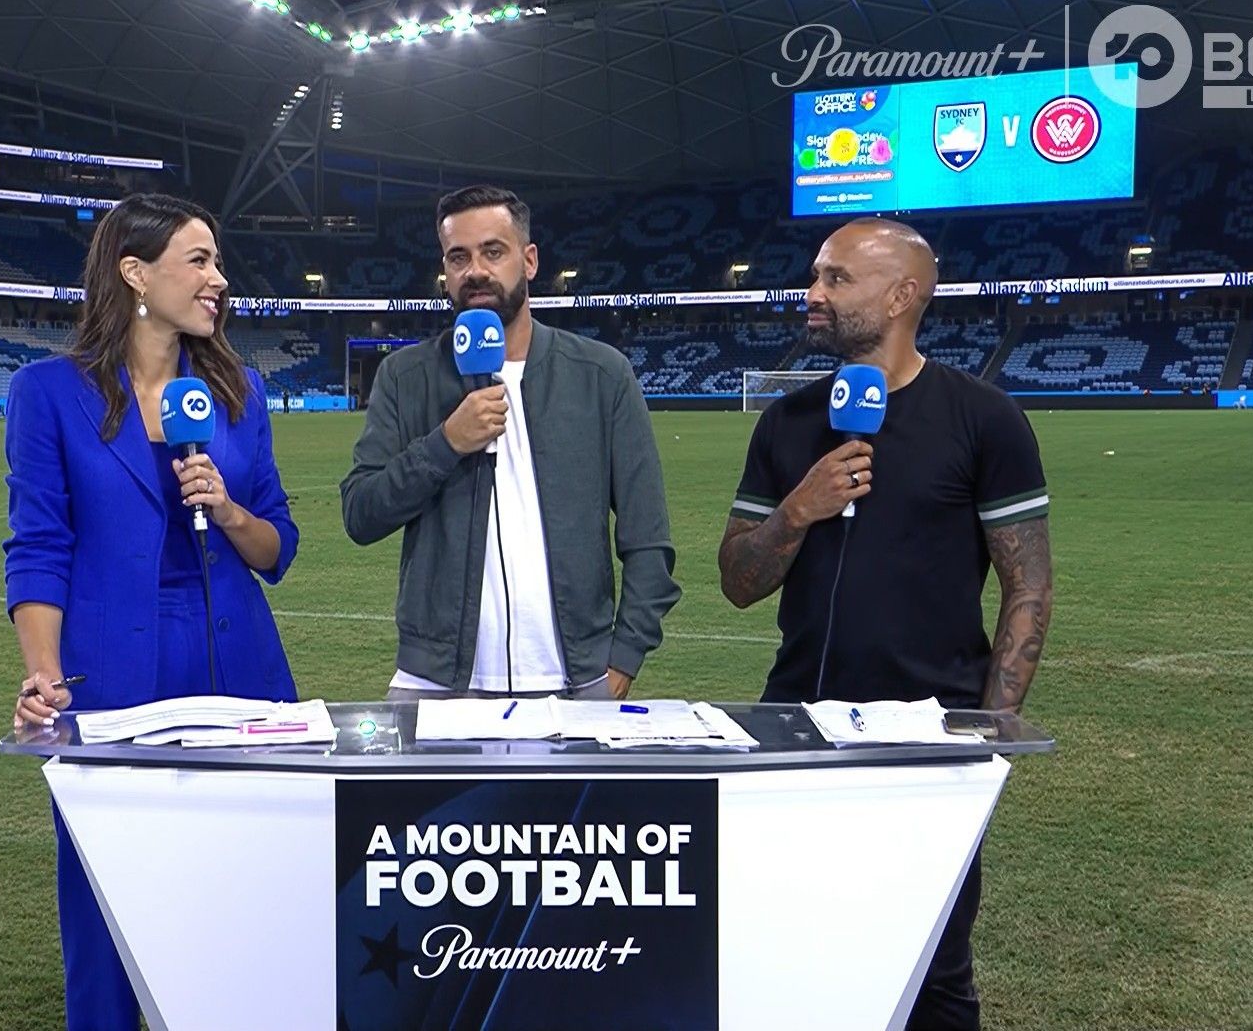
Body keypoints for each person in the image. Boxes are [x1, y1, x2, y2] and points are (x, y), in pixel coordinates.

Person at [716, 218, 1053, 1031]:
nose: (813, 293)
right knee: (789, 955)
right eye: (815, 275)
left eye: (836, 279)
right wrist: (797, 511)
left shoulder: (983, 418)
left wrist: (992, 733)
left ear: (903, 296)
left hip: (930, 743)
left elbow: (1028, 587)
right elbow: (738, 582)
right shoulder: (788, 423)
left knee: (933, 973)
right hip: (793, 732)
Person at [3, 192, 300, 1031]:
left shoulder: (239, 393)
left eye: (218, 261)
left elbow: (278, 547)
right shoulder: (47, 393)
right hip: (109, 684)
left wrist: (230, 510)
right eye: (198, 261)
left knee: (244, 904)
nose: (219, 278)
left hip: (241, 676)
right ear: (135, 273)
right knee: (106, 916)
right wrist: (43, 674)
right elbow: (38, 545)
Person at [341, 185, 680, 702]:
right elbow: (360, 514)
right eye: (458, 257)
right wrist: (446, 443)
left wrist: (625, 654)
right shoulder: (405, 376)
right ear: (445, 269)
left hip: (577, 679)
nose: (475, 271)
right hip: (433, 681)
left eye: (493, 252)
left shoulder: (601, 374)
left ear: (529, 260)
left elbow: (648, 535)